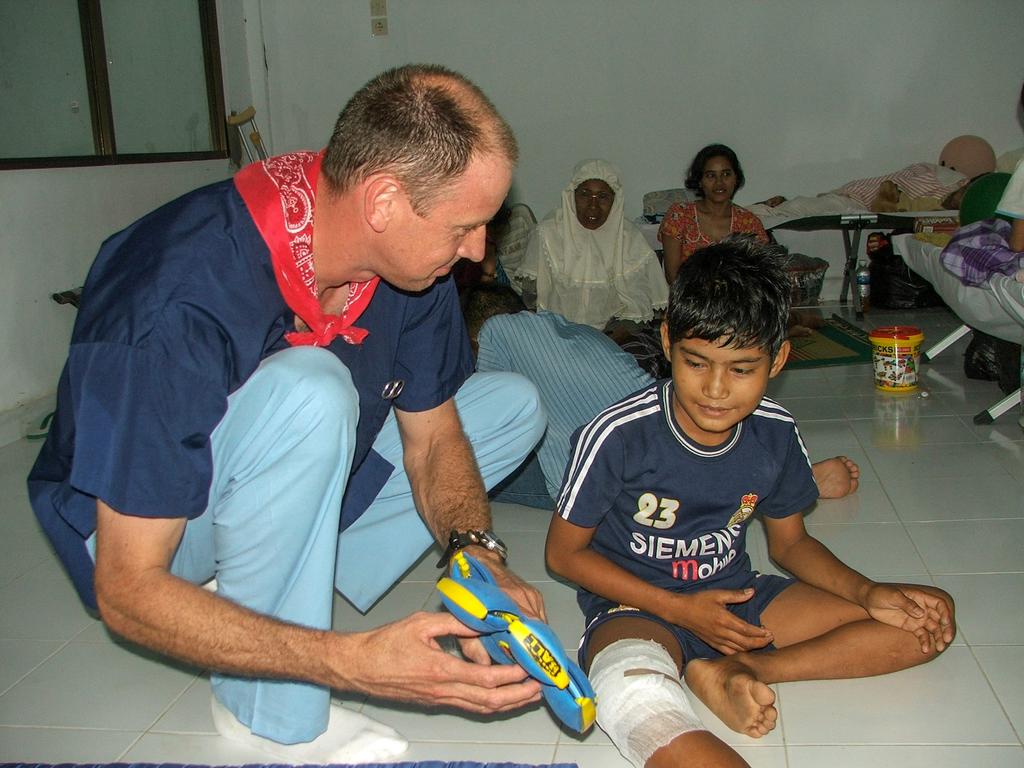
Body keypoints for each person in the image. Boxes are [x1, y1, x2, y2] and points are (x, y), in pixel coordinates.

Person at [27, 64, 550, 764]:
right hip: (144, 537)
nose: (479, 252)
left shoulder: (408, 269)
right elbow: (126, 590)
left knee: (510, 404)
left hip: (273, 472)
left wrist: (476, 557)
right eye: (465, 226)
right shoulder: (173, 296)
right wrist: (349, 661)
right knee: (312, 389)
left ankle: (271, 578)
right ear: (384, 201)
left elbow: (433, 438)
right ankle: (263, 710)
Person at [545, 236, 955, 768]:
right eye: (697, 363)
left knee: (923, 617)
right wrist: (678, 610)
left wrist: (868, 589)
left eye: (741, 370)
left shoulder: (776, 433)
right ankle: (697, 667)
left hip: (739, 602)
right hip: (639, 606)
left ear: (778, 358)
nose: (716, 389)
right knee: (635, 701)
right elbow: (563, 556)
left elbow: (790, 544)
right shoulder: (618, 434)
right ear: (668, 342)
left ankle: (741, 670)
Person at [464, 283, 859, 509]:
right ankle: (784, 478)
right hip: (662, 417)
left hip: (607, 466)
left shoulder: (497, 331)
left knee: (457, 469)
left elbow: (485, 418)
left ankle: (780, 482)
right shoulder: (569, 328)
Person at [511, 159, 668, 329]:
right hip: (553, 331)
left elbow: (636, 309)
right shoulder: (548, 233)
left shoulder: (630, 240)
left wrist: (602, 343)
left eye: (602, 197)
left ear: (615, 201)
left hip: (612, 336)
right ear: (573, 196)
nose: (593, 206)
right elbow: (531, 297)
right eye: (585, 194)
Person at [659, 143, 770, 283]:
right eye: (711, 175)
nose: (719, 183)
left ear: (736, 178)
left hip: (737, 301)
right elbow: (672, 276)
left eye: (726, 174)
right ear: (700, 181)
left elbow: (760, 276)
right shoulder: (679, 216)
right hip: (689, 300)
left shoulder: (749, 223)